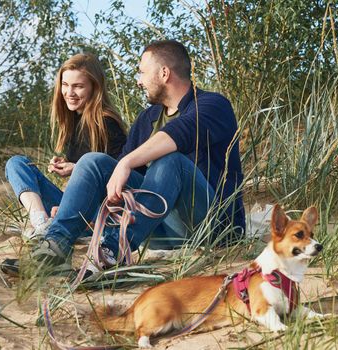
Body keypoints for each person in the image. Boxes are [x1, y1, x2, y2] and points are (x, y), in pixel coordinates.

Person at [30, 40, 246, 275]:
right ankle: (53, 248)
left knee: (171, 161)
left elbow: (180, 133)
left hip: (210, 225)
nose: (138, 80)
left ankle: (113, 251)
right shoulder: (147, 119)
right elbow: (117, 176)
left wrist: (126, 162)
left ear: (164, 73)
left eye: (142, 72)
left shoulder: (213, 105)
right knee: (93, 161)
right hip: (160, 228)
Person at [5, 53, 127, 243]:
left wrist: (76, 169)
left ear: (95, 88)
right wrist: (68, 165)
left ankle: (61, 226)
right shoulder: (73, 119)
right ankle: (42, 223)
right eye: (65, 85)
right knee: (16, 164)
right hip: (75, 206)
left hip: (99, 215)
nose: (69, 92)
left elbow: (118, 180)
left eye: (78, 86)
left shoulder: (106, 123)